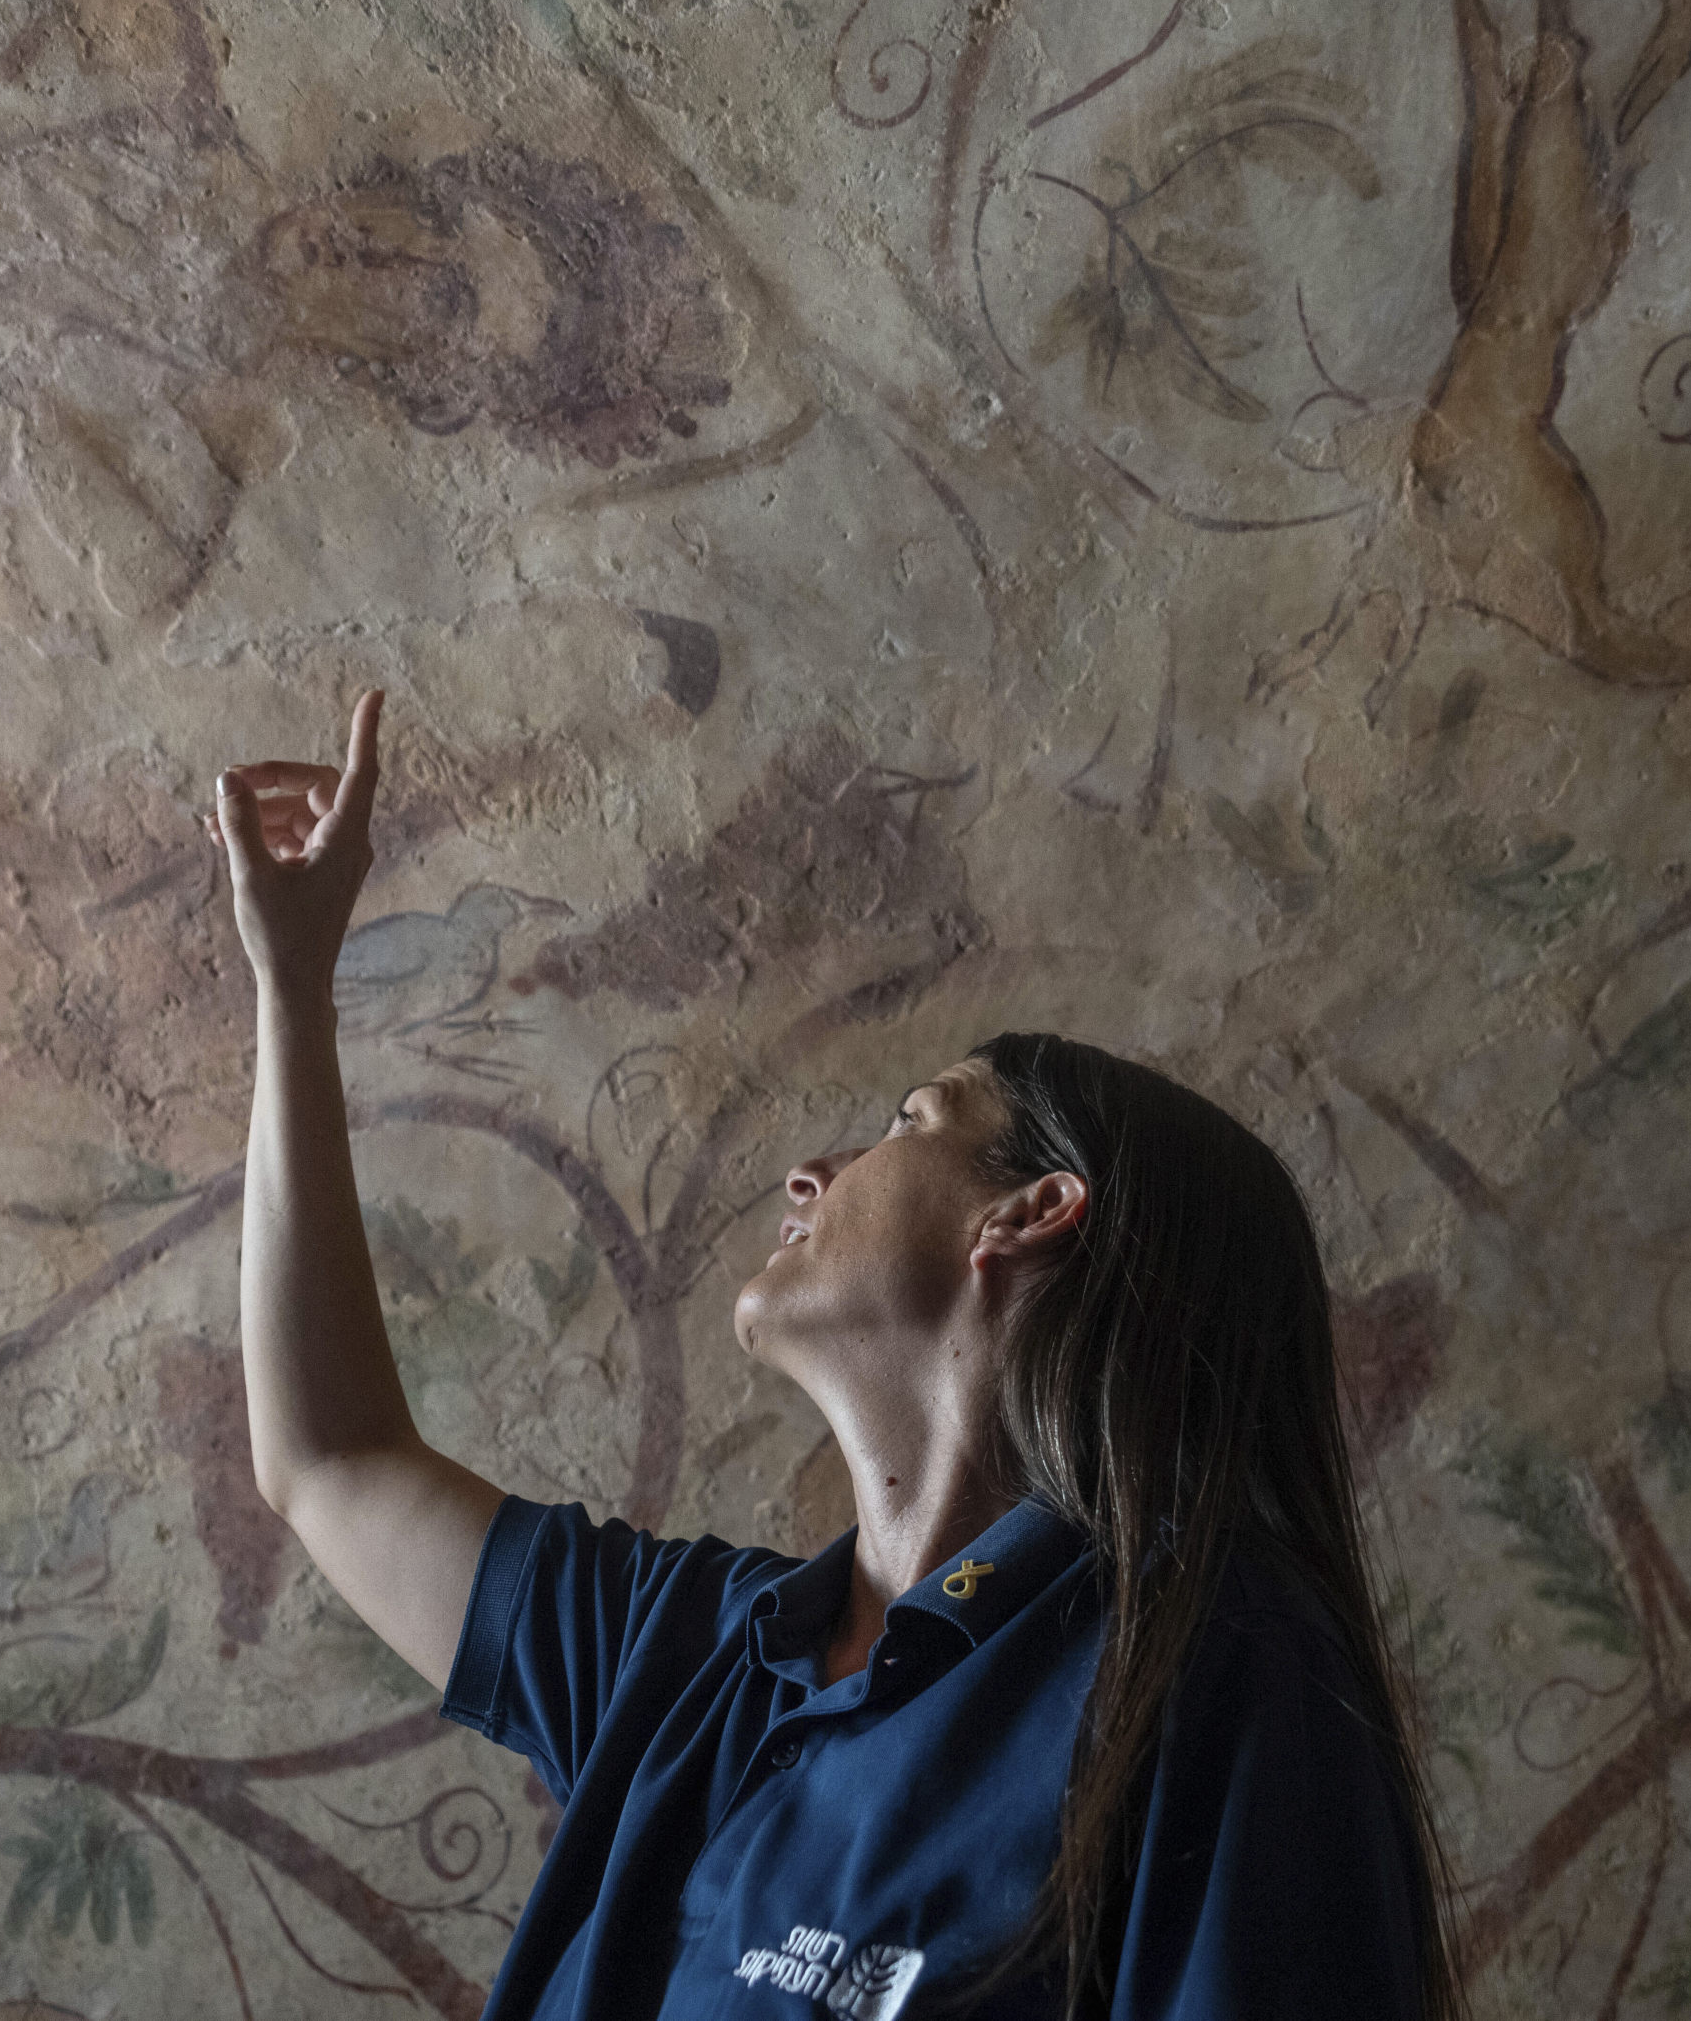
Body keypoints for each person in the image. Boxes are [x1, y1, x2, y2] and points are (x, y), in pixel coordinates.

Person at [215, 694, 1455, 2020]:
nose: (809, 1172)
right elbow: (330, 1458)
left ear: (1031, 1210)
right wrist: (292, 990)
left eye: (907, 1118)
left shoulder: (1210, 1670)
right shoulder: (691, 1649)